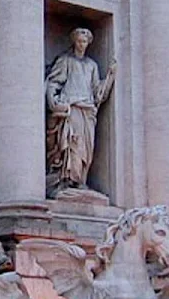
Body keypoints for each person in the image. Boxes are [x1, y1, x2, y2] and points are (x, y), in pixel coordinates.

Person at [45, 28, 116, 195]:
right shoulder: (65, 60)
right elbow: (53, 82)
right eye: (79, 41)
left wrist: (110, 76)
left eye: (84, 42)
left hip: (88, 110)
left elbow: (98, 92)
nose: (82, 44)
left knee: (86, 148)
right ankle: (69, 180)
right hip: (73, 107)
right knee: (73, 145)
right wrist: (53, 101)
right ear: (74, 42)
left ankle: (81, 179)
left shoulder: (92, 65)